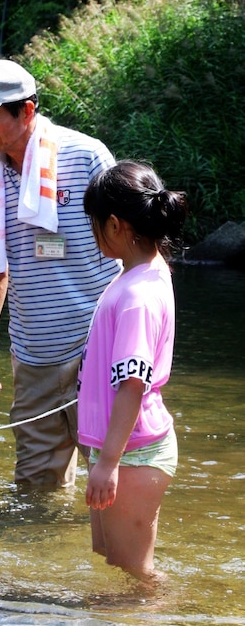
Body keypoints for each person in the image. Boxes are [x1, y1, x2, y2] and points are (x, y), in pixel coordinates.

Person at [0, 57, 120, 489]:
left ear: (27, 109)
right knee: (35, 488)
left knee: (113, 477)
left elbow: (131, 242)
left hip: (96, 346)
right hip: (33, 352)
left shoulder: (86, 156)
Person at [77, 160, 187, 585]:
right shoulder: (142, 274)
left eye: (94, 223)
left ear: (116, 225)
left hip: (133, 452)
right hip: (121, 448)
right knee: (113, 565)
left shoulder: (139, 294)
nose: (93, 232)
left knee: (134, 578)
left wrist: (107, 463)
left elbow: (133, 383)